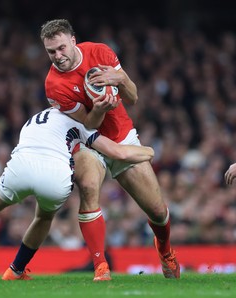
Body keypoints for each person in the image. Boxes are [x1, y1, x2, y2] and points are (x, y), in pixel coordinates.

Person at [0, 108, 154, 280]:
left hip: (21, 166)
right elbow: (118, 152)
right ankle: (15, 270)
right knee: (43, 217)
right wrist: (148, 151)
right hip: (54, 174)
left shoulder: (36, 118)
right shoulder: (80, 123)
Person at [40, 19, 180, 279]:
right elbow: (88, 125)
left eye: (61, 48)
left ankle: (165, 248)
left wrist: (121, 79)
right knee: (89, 187)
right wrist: (100, 108)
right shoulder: (54, 85)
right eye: (51, 52)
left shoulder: (100, 52)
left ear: (73, 40)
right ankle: (100, 266)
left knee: (158, 212)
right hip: (88, 143)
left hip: (122, 136)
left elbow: (133, 97)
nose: (58, 56)